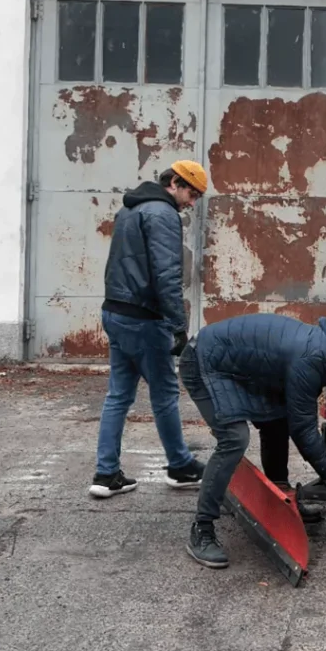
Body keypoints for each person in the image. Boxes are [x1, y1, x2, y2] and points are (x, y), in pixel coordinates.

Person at [177, 312, 326, 570]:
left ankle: (280, 498)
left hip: (231, 365)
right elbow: (304, 431)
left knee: (277, 418)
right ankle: (201, 530)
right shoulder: (312, 359)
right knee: (234, 439)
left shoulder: (323, 346)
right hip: (203, 362)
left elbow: (295, 418)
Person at [89, 161, 209, 499]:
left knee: (118, 395)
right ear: (174, 182)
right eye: (191, 193)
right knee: (165, 394)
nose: (192, 202)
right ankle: (180, 466)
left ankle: (106, 473)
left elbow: (118, 265)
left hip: (115, 311)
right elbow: (167, 275)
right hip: (144, 319)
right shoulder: (163, 214)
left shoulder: (129, 210)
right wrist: (178, 326)